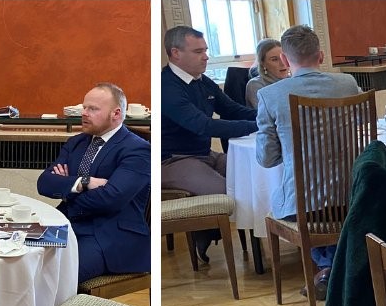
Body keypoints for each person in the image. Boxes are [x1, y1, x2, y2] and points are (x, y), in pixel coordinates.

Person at [254, 24, 363, 299]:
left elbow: (266, 159)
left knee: (299, 204)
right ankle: (335, 268)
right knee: (331, 209)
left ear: (286, 60)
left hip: (304, 204)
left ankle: (328, 270)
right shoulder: (347, 84)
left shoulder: (270, 95)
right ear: (321, 56)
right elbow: (362, 124)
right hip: (350, 195)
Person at [37, 83, 151, 284]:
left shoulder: (137, 150)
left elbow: (111, 199)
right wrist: (83, 182)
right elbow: (44, 183)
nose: (84, 113)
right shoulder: (77, 142)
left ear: (116, 114)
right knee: (22, 254)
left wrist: (68, 191)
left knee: (53, 276)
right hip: (66, 225)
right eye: (84, 107)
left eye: (93, 109)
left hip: (109, 236)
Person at [160, 26, 255, 197]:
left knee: (256, 173)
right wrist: (258, 125)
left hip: (205, 155)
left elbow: (232, 110)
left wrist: (268, 115)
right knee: (229, 192)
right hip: (172, 160)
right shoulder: (166, 87)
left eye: (205, 50)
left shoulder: (202, 81)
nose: (205, 57)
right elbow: (203, 126)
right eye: (198, 51)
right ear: (176, 53)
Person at [245, 37, 290, 107]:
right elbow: (267, 115)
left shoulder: (293, 80)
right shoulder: (255, 84)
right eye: (274, 59)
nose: (283, 63)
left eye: (284, 57)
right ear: (263, 63)